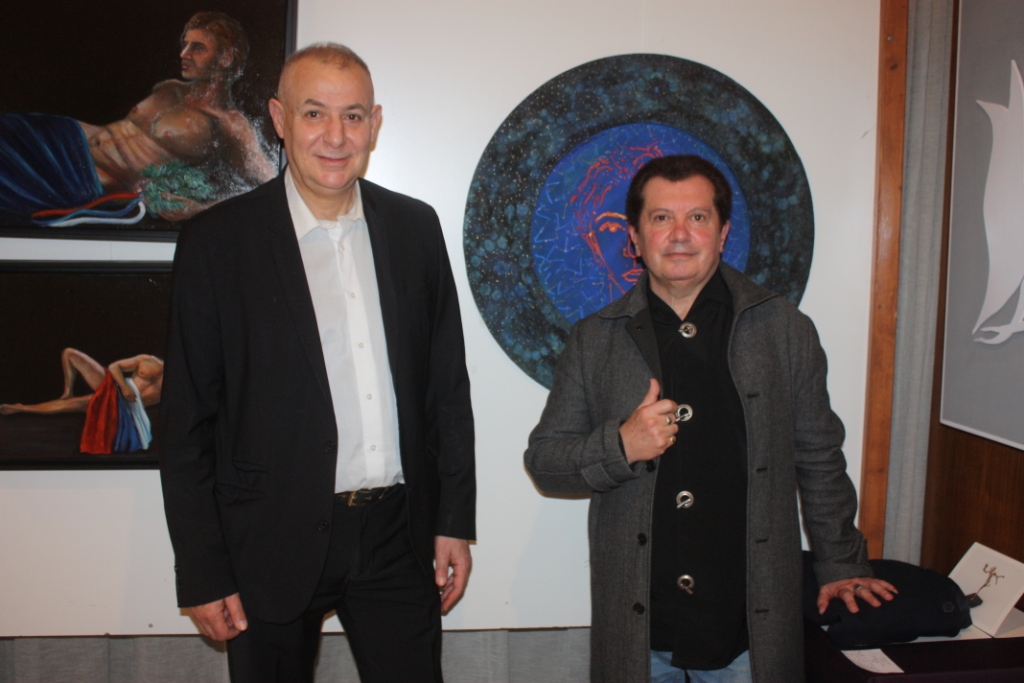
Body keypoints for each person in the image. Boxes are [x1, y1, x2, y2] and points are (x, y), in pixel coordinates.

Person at [160, 42, 475, 683]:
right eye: (314, 114)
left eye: (353, 116)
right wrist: (202, 569)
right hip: (268, 536)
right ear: (279, 118)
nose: (336, 136)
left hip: (398, 535)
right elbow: (186, 421)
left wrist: (453, 521)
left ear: (375, 124)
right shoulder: (218, 243)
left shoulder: (415, 229)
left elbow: (446, 388)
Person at [524, 155, 895, 683]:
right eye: (661, 218)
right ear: (634, 237)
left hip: (746, 628)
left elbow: (818, 455)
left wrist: (841, 563)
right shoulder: (594, 338)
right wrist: (621, 446)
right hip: (640, 630)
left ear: (722, 233)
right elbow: (545, 462)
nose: (679, 234)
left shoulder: (784, 329)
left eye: (697, 217)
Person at [0, 12, 276, 225]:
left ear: (225, 58)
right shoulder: (168, 88)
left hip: (85, 178)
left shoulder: (230, 124)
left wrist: (199, 208)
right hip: (62, 139)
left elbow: (272, 187)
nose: (184, 55)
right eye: (185, 45)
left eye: (197, 48)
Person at [0, 348, 163, 415]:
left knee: (73, 405)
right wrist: (124, 387)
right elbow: (114, 367)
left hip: (124, 405)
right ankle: (67, 391)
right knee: (69, 353)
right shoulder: (147, 360)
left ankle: (21, 408)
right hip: (116, 388)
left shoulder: (175, 379)